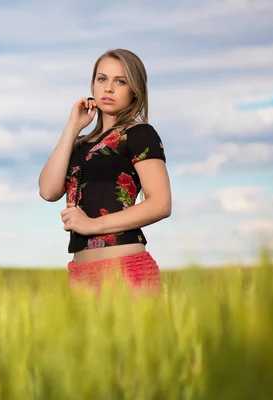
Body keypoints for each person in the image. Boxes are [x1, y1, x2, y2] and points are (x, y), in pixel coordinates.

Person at [38, 49, 172, 293]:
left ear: (135, 91)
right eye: (102, 79)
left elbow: (161, 204)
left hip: (127, 272)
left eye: (120, 81)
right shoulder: (79, 143)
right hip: (79, 275)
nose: (108, 88)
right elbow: (48, 191)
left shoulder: (140, 134)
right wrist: (73, 126)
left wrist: (91, 225)